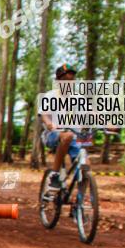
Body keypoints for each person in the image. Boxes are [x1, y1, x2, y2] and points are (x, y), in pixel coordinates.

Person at [41, 64, 81, 196]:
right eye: (66, 80)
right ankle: (54, 176)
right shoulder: (50, 96)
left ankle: (79, 201)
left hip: (73, 137)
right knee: (67, 135)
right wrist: (49, 123)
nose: (70, 83)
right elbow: (44, 115)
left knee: (84, 165)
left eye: (72, 80)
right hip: (52, 135)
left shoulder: (78, 98)